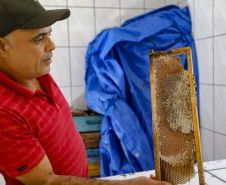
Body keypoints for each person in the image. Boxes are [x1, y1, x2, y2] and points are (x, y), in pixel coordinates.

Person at [0, 0, 171, 185]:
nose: (52, 46)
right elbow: (44, 182)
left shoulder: (36, 72)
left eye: (49, 34)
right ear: (2, 47)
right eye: (39, 39)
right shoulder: (4, 112)